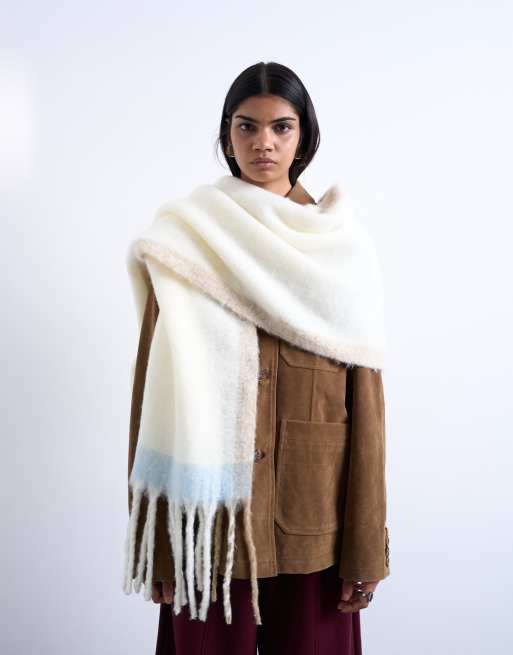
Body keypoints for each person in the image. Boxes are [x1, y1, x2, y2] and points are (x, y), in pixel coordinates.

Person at [124, 61, 390, 655]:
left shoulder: (341, 252)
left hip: (315, 531)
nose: (263, 142)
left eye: (281, 127)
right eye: (246, 126)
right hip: (207, 530)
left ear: (304, 137)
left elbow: (367, 411)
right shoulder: (186, 242)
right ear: (227, 137)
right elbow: (152, 401)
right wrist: (158, 543)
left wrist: (367, 545)